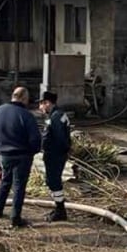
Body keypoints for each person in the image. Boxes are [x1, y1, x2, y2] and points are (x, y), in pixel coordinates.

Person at [0, 86, 42, 228]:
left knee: (5, 181)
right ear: (24, 98)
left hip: (5, 154)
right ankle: (15, 217)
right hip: (22, 155)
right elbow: (35, 138)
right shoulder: (26, 115)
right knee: (19, 186)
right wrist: (33, 151)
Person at [39, 91, 72, 222]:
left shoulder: (56, 117)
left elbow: (58, 138)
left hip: (55, 154)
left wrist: (54, 150)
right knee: (51, 181)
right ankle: (58, 207)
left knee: (54, 181)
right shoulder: (58, 114)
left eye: (41, 104)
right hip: (56, 153)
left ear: (47, 103)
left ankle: (60, 210)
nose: (40, 108)